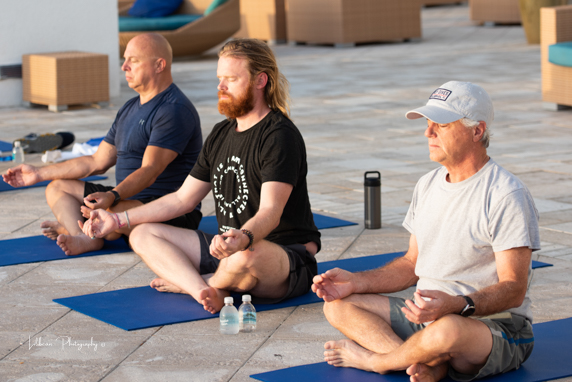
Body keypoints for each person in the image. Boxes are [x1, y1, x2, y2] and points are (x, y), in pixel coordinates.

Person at [312, 81, 540, 382]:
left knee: (449, 330)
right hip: (426, 318)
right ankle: (423, 362)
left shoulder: (506, 194)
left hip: (490, 326)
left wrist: (457, 305)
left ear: (477, 131)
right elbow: (410, 265)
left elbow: (514, 288)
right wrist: (355, 281)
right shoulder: (428, 184)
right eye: (428, 124)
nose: (428, 133)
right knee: (338, 307)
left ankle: (378, 362)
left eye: (441, 125)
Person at [82, 38, 321, 314]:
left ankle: (195, 283)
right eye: (220, 78)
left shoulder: (279, 136)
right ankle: (203, 290)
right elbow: (182, 199)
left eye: (231, 79)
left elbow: (270, 211)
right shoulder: (221, 133)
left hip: (280, 256)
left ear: (260, 81)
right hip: (226, 251)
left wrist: (243, 237)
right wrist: (117, 219)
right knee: (142, 234)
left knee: (246, 256)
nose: (221, 86)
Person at [2, 33, 203, 256]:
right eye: (124, 60)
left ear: (159, 65)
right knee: (57, 187)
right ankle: (87, 235)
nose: (124, 66)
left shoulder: (173, 110)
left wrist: (113, 196)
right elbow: (97, 161)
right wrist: (39, 173)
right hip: (124, 199)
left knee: (107, 209)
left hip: (167, 210)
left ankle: (91, 229)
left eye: (134, 60)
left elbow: (150, 170)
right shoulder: (129, 108)